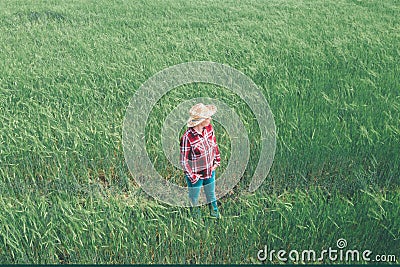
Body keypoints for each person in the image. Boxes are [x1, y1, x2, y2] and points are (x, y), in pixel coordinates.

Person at [180, 103, 221, 218]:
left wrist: (216, 161)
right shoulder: (187, 137)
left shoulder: (209, 129)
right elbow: (184, 161)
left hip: (210, 170)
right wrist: (193, 176)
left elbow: (214, 145)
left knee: (211, 195)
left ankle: (215, 216)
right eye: (207, 117)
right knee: (194, 198)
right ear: (200, 120)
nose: (210, 119)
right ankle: (195, 220)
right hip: (196, 174)